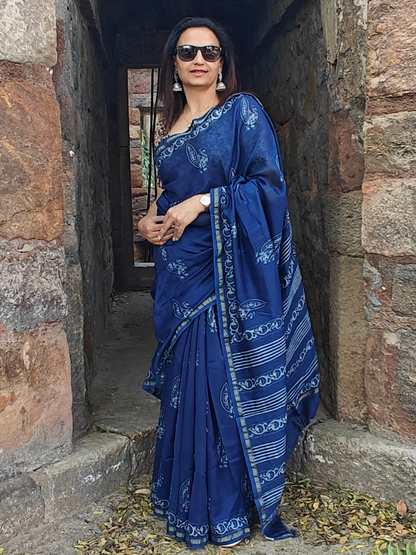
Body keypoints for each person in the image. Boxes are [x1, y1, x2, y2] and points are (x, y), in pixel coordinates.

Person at [139, 16, 319, 549]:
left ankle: (229, 508)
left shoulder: (242, 113)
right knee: (187, 384)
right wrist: (146, 221)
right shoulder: (165, 133)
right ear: (173, 64)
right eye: (188, 52)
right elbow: (164, 196)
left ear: (223, 63)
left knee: (222, 380)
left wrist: (204, 202)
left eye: (210, 52)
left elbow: (268, 188)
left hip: (229, 277)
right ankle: (188, 503)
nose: (199, 60)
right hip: (179, 276)